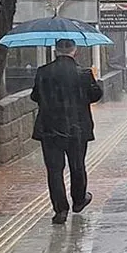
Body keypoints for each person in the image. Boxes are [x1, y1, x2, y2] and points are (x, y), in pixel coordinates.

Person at [31, 39, 103, 224]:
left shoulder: (43, 72)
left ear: (56, 51)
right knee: (77, 165)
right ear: (74, 50)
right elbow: (95, 96)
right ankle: (79, 200)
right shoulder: (84, 73)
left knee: (54, 170)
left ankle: (60, 210)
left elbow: (35, 96)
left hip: (50, 129)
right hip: (76, 128)